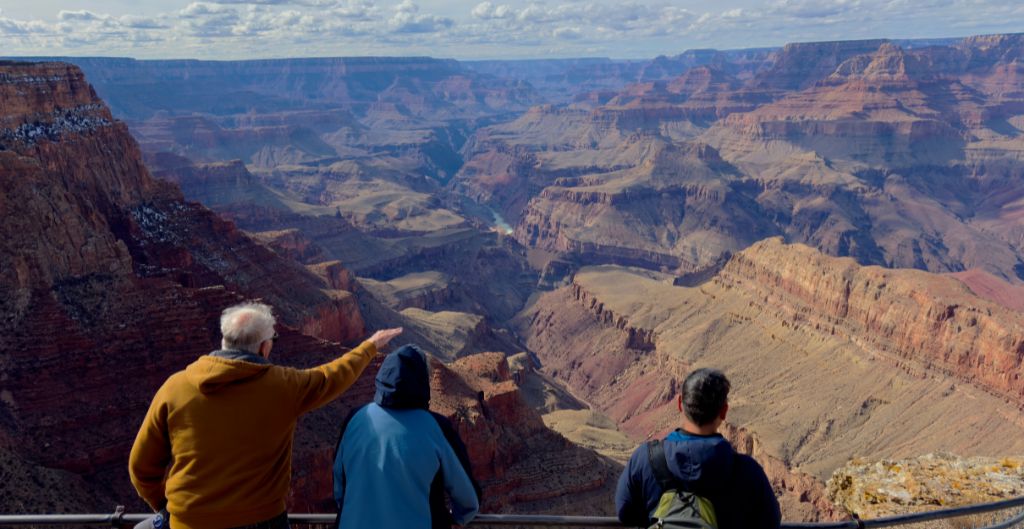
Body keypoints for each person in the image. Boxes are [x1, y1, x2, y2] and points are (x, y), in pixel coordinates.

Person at [128, 301, 402, 529]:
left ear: (224, 341)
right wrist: (370, 346)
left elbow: (141, 466)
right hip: (262, 521)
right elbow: (333, 376)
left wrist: (166, 507)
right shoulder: (283, 386)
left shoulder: (175, 387)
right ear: (263, 347)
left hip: (189, 522)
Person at [333, 344, 480, 529]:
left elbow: (339, 489)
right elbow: (468, 501)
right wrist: (455, 519)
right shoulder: (436, 427)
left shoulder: (354, 419)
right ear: (422, 382)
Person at [615, 368, 781, 529]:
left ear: (680, 403)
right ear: (724, 411)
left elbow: (625, 512)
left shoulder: (646, 458)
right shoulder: (748, 471)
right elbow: (770, 522)